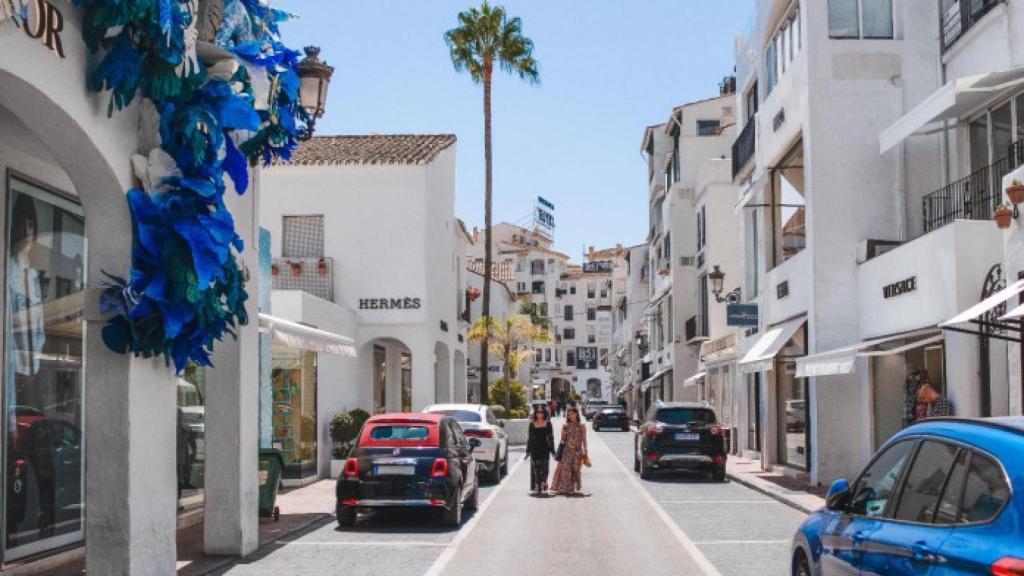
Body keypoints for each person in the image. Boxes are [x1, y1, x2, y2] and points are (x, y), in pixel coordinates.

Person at [550, 406, 588, 494]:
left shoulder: (582, 426)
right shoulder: (565, 426)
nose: (571, 416)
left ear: (576, 414)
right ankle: (565, 488)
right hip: (566, 451)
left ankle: (573, 486)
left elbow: (584, 440)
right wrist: (564, 432)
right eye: (569, 414)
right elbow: (562, 439)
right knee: (565, 470)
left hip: (577, 452)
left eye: (572, 414)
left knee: (576, 469)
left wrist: (586, 452)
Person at [525, 405, 555, 494]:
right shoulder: (532, 424)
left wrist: (552, 451)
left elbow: (551, 438)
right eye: (538, 412)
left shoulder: (548, 424)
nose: (539, 414)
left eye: (541, 412)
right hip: (535, 448)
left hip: (545, 448)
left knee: (545, 468)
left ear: (544, 413)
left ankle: (544, 481)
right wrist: (527, 451)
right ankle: (538, 486)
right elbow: (529, 438)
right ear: (535, 413)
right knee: (536, 469)